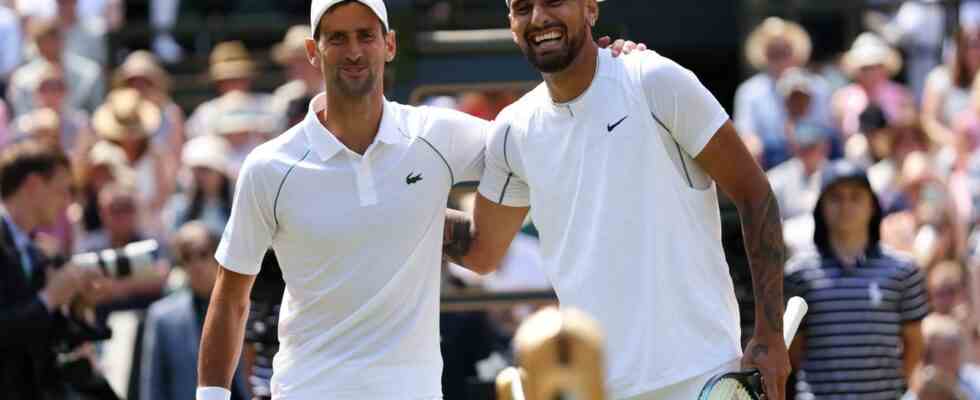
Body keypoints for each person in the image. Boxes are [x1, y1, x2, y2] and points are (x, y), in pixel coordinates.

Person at [195, 1, 641, 399]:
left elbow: (538, 139)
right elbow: (231, 298)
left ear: (388, 45)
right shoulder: (269, 167)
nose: (353, 51)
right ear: (314, 52)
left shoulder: (434, 135)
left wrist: (607, 69)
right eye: (337, 38)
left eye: (365, 35)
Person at [456, 1, 790, 399]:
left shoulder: (655, 80)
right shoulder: (511, 132)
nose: (539, 17)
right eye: (523, 7)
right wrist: (400, 203)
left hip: (702, 375)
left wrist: (770, 335)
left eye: (554, 1)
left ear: (590, 9)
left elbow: (755, 195)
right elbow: (482, 253)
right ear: (511, 26)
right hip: (595, 387)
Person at [784, 159, 928, 399]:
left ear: (872, 206)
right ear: (820, 207)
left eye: (855, 197)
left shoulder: (904, 271)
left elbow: (914, 343)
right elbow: (795, 350)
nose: (845, 206)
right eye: (835, 197)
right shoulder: (798, 273)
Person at [0, 139, 110, 399]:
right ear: (33, 185)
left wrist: (77, 307)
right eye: (62, 191)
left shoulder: (39, 251)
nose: (67, 204)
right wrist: (49, 298)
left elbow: (48, 340)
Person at [141, 222, 248, 400]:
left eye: (203, 254)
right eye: (186, 257)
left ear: (219, 255)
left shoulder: (246, 307)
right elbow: (153, 388)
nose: (196, 264)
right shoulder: (162, 318)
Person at [734, 17, 832, 169]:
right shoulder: (749, 91)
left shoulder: (818, 85)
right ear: (763, 54)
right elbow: (746, 135)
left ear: (796, 51)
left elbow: (826, 128)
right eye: (773, 52)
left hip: (814, 152)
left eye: (785, 51)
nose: (780, 58)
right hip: (771, 157)